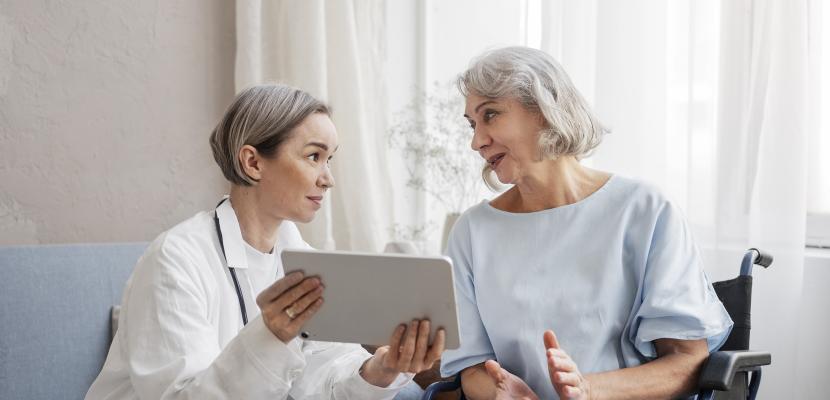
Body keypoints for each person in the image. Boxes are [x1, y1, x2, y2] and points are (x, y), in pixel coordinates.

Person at [86, 84, 444, 399]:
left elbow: (326, 379)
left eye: (329, 159)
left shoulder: (302, 259)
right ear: (253, 162)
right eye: (314, 156)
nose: (328, 179)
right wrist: (269, 334)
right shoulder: (175, 260)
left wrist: (379, 370)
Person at [439, 46, 733, 400]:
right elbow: (471, 368)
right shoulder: (472, 232)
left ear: (543, 111)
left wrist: (589, 390)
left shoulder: (645, 211)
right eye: (472, 124)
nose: (476, 142)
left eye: (490, 115)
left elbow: (688, 362)